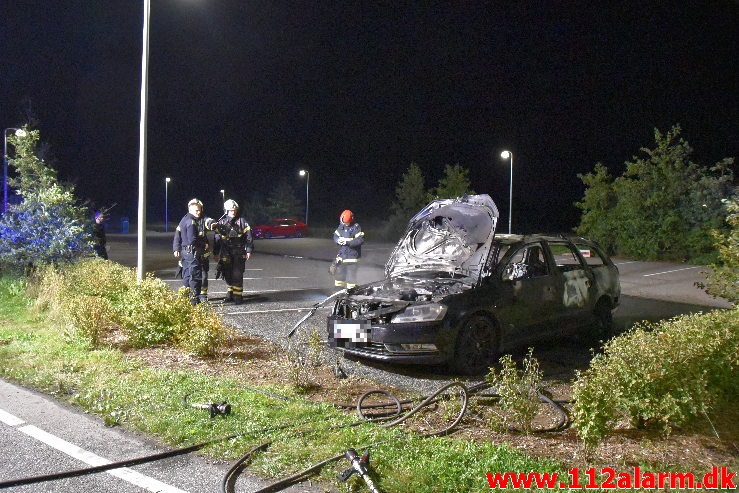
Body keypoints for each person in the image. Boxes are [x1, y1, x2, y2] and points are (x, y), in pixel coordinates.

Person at [173, 198, 216, 305]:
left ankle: (186, 297)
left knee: (188, 274)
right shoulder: (191, 221)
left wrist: (212, 223)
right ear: (190, 210)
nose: (199, 212)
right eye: (197, 210)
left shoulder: (187, 219)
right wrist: (203, 244)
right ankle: (194, 299)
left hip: (188, 252)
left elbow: (208, 220)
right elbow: (191, 239)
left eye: (200, 210)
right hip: (193, 252)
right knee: (195, 276)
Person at [213, 199, 253, 304]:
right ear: (226, 210)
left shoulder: (242, 221)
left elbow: (249, 237)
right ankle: (230, 294)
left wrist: (248, 250)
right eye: (231, 210)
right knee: (227, 274)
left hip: (239, 252)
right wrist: (216, 253)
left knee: (237, 275)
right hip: (226, 252)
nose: (233, 212)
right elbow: (217, 239)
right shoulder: (221, 223)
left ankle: (238, 297)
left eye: (234, 210)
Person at [333, 209, 364, 289]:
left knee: (351, 280)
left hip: (352, 259)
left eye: (346, 223)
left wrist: (347, 243)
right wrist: (337, 240)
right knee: (339, 277)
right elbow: (335, 236)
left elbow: (360, 240)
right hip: (342, 258)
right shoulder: (341, 226)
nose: (345, 224)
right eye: (343, 222)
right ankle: (338, 292)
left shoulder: (356, 227)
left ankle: (351, 294)